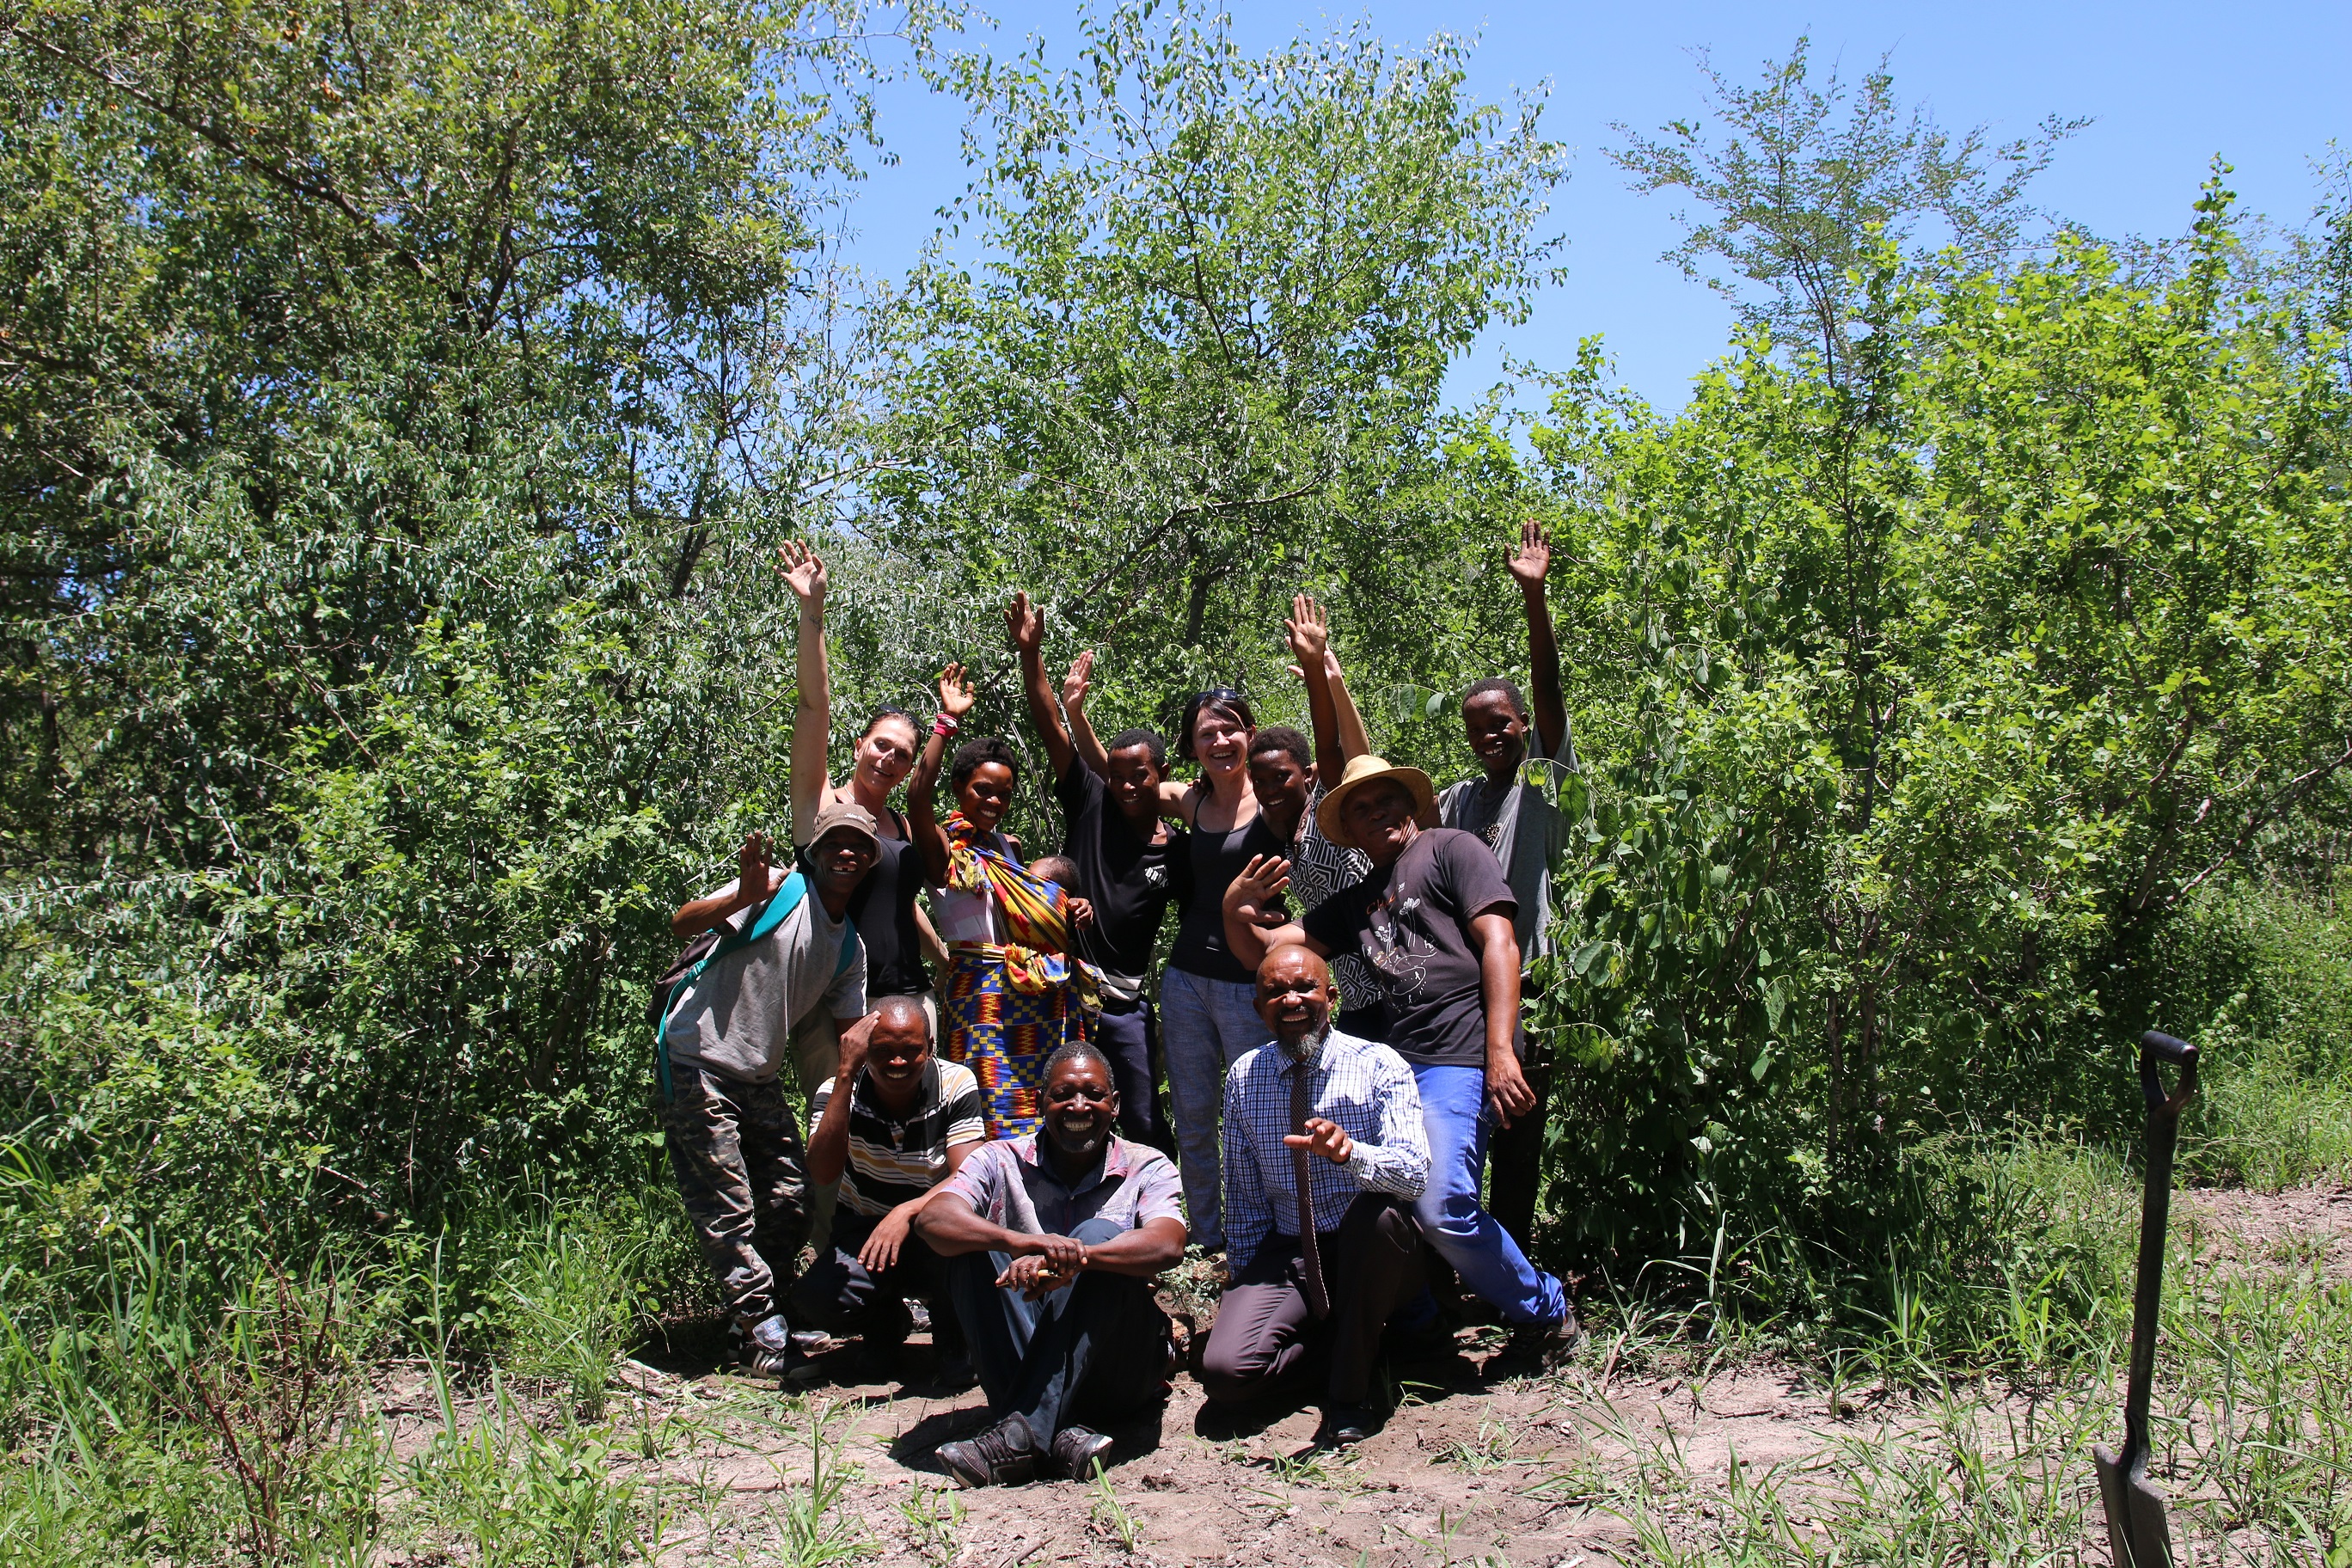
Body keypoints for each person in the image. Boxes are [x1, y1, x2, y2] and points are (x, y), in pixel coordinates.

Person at [1220, 758, 1577, 1357]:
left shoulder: (1450, 850)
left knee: (1441, 1208)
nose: (1376, 812)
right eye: (1360, 808)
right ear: (1350, 832)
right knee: (1374, 1191)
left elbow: (1500, 942)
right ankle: (1419, 1322)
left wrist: (1499, 1052)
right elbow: (1270, 960)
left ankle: (1544, 1309)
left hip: (1458, 1057)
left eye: (1386, 800)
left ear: (1408, 806)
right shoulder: (1357, 899)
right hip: (1398, 1065)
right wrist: (1234, 907)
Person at [661, 804, 879, 1378]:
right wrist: (741, 895)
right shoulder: (777, 889)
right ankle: (762, 1332)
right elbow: (683, 922)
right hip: (697, 1057)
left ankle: (754, 1316)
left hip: (755, 1075)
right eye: (835, 843)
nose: (846, 853)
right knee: (727, 1208)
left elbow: (848, 1033)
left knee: (791, 1198)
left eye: (858, 847)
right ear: (816, 851)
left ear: (871, 862)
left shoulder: (849, 949)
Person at [915, 1042, 1188, 1486]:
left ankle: (1020, 1434)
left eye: (1093, 1094)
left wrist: (1081, 1258)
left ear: (1114, 1105)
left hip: (1116, 1373)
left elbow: (1168, 1244)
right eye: (1063, 1094)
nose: (1078, 1105)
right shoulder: (998, 1159)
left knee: (1101, 1235)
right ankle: (1055, 1434)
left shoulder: (1147, 1165)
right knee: (969, 1245)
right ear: (1041, 1102)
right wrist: (1020, 1241)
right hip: (1023, 1355)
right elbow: (934, 1219)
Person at [1200, 946, 1430, 1447]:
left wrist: (1352, 1155)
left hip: (1371, 1248)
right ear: (1258, 1008)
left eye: (1304, 987)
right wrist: (1243, 1293)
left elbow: (1415, 1176)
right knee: (1224, 1375)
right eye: (1275, 992)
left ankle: (1350, 1398)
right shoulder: (1244, 1077)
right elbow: (1244, 1200)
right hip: (1292, 1250)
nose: (1291, 1000)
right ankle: (1352, 1345)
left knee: (1380, 1217)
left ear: (1332, 996)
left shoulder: (1378, 1064)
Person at [1436, 520, 1582, 1244]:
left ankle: (1515, 1264)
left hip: (1531, 986)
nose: (1491, 735)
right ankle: (1462, 1261)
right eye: (1478, 728)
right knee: (1462, 1135)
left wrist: (1535, 601)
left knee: (1520, 1136)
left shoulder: (1543, 785)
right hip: (1462, 994)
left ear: (1525, 726)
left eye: (1503, 723)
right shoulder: (1457, 803)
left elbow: (1552, 693)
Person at [1008, 591, 1186, 1151]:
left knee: (1141, 1117)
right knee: (1048, 1108)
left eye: (1141, 774)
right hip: (1060, 986)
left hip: (1126, 1002)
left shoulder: (1176, 850)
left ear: (1163, 774)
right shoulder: (1091, 800)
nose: (1129, 784)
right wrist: (1030, 653)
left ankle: (1160, 1216)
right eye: (1119, 772)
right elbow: (1046, 720)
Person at [781, 541, 947, 1093]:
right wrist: (813, 615)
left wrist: (944, 961)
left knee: (909, 1142)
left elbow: (901, 903)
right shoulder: (823, 810)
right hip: (833, 1003)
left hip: (909, 1002)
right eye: (882, 745)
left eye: (902, 753)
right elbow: (813, 708)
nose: (890, 757)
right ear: (859, 746)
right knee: (837, 1138)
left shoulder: (897, 827)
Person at [910, 664, 1097, 1140]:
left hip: (1032, 993)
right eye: (982, 790)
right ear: (960, 789)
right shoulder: (945, 849)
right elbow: (916, 795)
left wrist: (1071, 911)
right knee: (982, 1106)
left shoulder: (1010, 851)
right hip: (978, 996)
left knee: (1036, 1102)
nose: (994, 800)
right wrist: (944, 724)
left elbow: (1036, 916)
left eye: (1004, 793)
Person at [789, 995, 986, 1381]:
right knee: (816, 1298)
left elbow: (967, 1176)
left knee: (959, 1240)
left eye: (910, 1051)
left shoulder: (957, 1084)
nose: (897, 1062)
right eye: (882, 1051)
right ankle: (885, 1324)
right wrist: (846, 1072)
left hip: (935, 1227)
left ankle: (953, 1339)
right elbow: (823, 1172)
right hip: (864, 1230)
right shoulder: (836, 1090)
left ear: (930, 1049)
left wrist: (905, 1212)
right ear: (864, 1050)